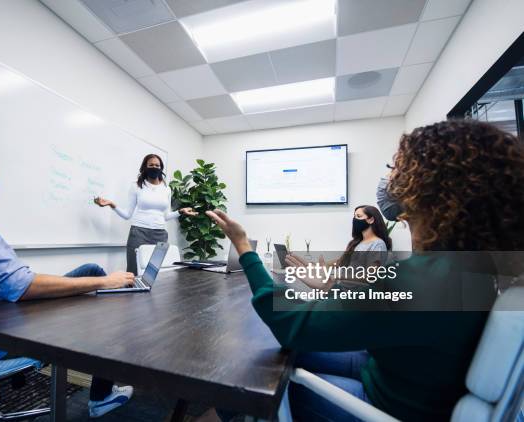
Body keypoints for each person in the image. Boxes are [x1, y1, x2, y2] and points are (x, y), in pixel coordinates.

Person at [206, 120, 524, 421]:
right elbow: (391, 304)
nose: (390, 176)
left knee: (246, 375)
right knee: (279, 356)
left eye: (399, 166)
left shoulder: (424, 278)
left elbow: (288, 322)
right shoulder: (468, 268)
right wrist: (330, 287)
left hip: (388, 408)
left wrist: (243, 246)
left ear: (429, 185)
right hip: (397, 378)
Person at [0, 145, 135, 419]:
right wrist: (103, 282)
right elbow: (22, 287)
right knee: (106, 300)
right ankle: (101, 397)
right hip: (3, 332)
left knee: (91, 270)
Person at [94, 154, 197, 274]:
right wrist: (112, 204)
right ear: (145, 167)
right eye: (151, 165)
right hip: (138, 234)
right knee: (133, 272)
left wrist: (180, 212)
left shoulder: (166, 189)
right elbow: (127, 215)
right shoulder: (136, 186)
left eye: (157, 165)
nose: (154, 167)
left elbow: (166, 216)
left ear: (161, 168)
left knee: (154, 273)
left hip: (160, 234)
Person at [286, 205, 392, 288]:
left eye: (358, 217)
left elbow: (371, 276)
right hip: (342, 287)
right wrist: (315, 266)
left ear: (370, 220)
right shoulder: (358, 243)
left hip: (356, 295)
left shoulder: (377, 244)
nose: (355, 220)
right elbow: (340, 261)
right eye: (354, 216)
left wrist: (335, 275)